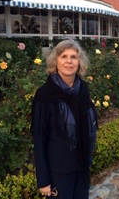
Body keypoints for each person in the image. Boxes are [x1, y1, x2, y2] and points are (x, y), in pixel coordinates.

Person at [31, 39, 97, 198]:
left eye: (73, 57)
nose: (69, 61)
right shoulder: (44, 95)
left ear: (79, 62)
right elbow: (39, 138)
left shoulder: (83, 90)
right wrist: (43, 180)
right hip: (58, 171)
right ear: (56, 62)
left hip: (81, 166)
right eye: (64, 56)